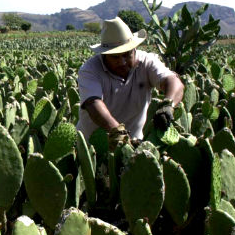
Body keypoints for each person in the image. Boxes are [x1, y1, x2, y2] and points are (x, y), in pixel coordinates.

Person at [77, 17, 184, 147]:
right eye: (115, 57)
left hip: (135, 144)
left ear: (134, 49)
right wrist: (116, 131)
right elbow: (93, 103)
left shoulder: (147, 62)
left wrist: (168, 105)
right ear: (104, 54)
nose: (122, 62)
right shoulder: (90, 69)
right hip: (94, 148)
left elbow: (173, 81)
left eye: (127, 55)